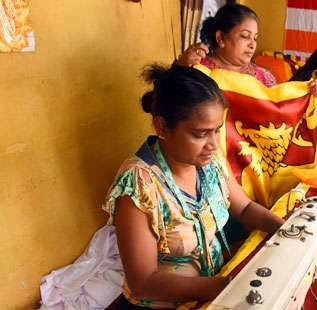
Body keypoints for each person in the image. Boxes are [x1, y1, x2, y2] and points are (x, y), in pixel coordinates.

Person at [103, 64, 284, 309]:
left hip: (213, 287)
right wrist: (225, 286)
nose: (213, 143)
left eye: (217, 130)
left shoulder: (210, 162)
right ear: (162, 127)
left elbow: (244, 209)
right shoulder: (139, 185)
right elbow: (143, 283)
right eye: (200, 134)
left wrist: (285, 231)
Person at [176, 3, 317, 95]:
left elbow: (281, 111)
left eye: (255, 38)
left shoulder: (263, 77)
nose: (252, 45)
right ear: (221, 38)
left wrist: (307, 92)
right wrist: (179, 68)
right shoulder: (197, 70)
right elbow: (164, 102)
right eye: (245, 36)